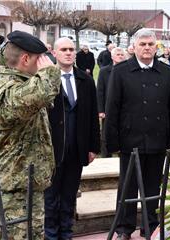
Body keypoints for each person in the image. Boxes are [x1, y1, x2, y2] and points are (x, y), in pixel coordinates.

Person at [105, 28, 170, 240]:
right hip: (130, 140)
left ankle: (150, 226)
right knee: (127, 188)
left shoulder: (166, 72)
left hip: (157, 139)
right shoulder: (120, 71)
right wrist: (113, 143)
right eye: (142, 44)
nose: (147, 48)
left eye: (150, 44)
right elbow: (113, 108)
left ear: (156, 47)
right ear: (134, 47)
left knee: (152, 187)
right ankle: (124, 228)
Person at [0, 30, 61, 239]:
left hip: (26, 183)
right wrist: (50, 72)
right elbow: (33, 96)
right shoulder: (6, 87)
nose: (44, 63)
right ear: (25, 59)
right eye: (39, 59)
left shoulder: (21, 83)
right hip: (12, 189)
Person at [44, 37, 100, 240]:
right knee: (50, 197)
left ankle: (66, 233)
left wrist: (93, 146)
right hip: (52, 150)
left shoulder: (85, 80)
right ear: (55, 54)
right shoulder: (45, 79)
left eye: (71, 49)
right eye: (64, 49)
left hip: (77, 149)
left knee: (69, 195)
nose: (68, 53)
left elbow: (93, 115)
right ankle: (50, 235)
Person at [97, 47, 126, 158]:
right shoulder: (104, 71)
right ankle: (105, 156)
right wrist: (100, 110)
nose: (120, 56)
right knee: (106, 135)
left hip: (124, 109)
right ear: (112, 56)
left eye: (122, 54)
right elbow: (100, 91)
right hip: (108, 108)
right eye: (117, 54)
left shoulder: (128, 71)